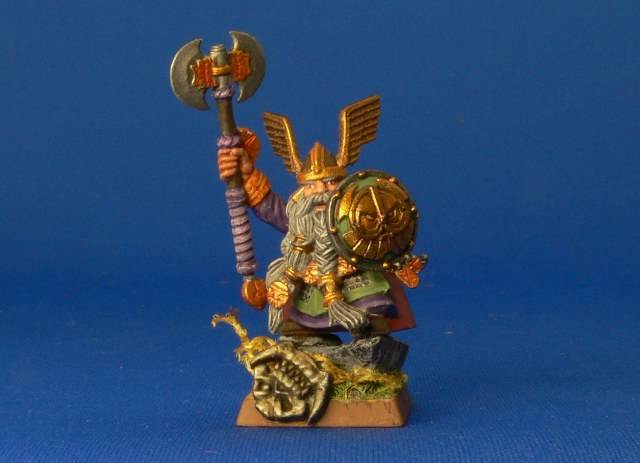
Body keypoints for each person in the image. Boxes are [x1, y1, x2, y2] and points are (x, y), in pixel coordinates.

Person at [217, 97, 419, 338]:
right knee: (301, 320)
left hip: (355, 274)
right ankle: (308, 333)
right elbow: (275, 211)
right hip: (311, 275)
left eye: (331, 182)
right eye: (311, 186)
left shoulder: (355, 210)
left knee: (369, 309)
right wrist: (247, 176)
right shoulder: (301, 215)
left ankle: (368, 331)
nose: (321, 191)